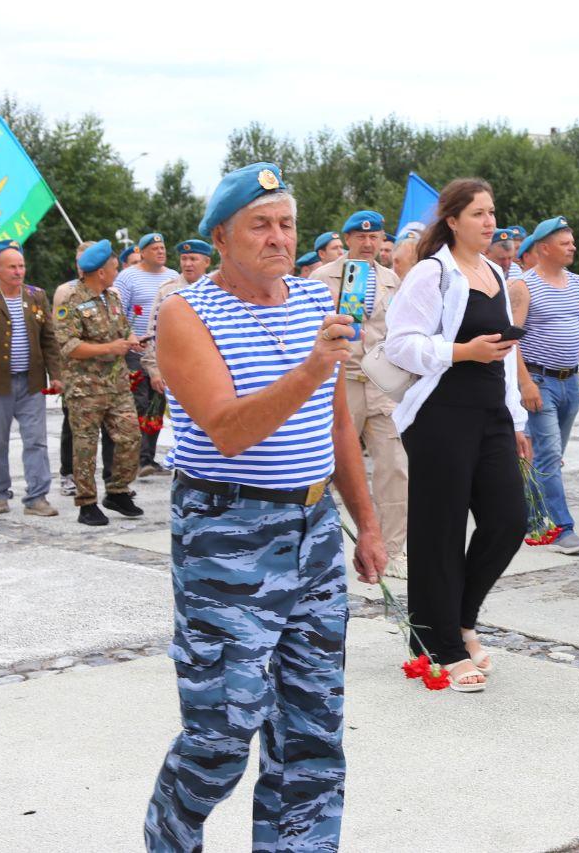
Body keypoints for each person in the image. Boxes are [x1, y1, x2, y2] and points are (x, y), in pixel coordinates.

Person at [144, 161, 384, 852]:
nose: (279, 237)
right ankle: (170, 831)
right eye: (261, 224)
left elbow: (337, 424)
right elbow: (227, 427)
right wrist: (309, 368)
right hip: (228, 534)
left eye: (287, 224)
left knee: (312, 729)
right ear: (221, 235)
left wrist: (365, 523)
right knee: (222, 729)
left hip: (311, 530)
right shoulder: (185, 311)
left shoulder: (314, 301)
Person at [386, 177, 530, 693]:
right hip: (441, 416)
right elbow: (400, 344)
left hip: (491, 415)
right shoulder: (432, 273)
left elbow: (508, 363)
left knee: (509, 520)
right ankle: (437, 643)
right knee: (440, 533)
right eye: (478, 214)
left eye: (492, 213)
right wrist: (460, 351)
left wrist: (515, 420)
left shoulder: (494, 270)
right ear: (452, 221)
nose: (490, 222)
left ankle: (461, 621)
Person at [315, 209, 409, 576]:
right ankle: (324, 543)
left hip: (382, 385)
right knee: (328, 465)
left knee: (395, 468)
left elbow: (399, 330)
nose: (368, 243)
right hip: (342, 383)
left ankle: (393, 550)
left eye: (375, 237)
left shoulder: (391, 279)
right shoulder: (324, 278)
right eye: (360, 237)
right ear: (348, 238)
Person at [509, 215, 579, 555]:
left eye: (572, 241)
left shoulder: (578, 283)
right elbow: (513, 341)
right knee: (549, 456)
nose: (573, 247)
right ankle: (561, 528)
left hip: (570, 383)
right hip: (540, 381)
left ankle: (526, 514)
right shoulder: (523, 286)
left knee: (550, 456)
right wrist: (525, 384)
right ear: (544, 248)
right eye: (565, 243)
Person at [0, 240, 62, 516]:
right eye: (12, 267)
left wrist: (57, 374)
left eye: (21, 266)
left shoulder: (36, 295)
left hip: (31, 382)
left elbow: (49, 338)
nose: (19, 272)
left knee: (36, 440)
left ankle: (37, 497)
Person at [56, 240, 145, 526]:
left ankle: (117, 491)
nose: (117, 272)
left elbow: (123, 330)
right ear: (101, 272)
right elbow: (68, 345)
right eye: (114, 267)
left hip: (116, 384)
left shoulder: (113, 298)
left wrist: (132, 342)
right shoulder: (71, 301)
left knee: (130, 436)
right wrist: (107, 349)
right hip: (85, 388)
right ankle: (87, 503)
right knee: (85, 446)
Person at [114, 232, 177, 477]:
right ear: (142, 252)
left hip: (164, 350)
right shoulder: (128, 277)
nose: (160, 251)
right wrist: (130, 338)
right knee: (138, 403)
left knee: (157, 404)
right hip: (135, 351)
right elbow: (118, 312)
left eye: (162, 247)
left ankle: (148, 458)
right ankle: (135, 459)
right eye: (154, 248)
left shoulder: (172, 277)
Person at [55, 241, 114, 497]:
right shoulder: (65, 293)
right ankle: (70, 476)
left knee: (112, 431)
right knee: (76, 431)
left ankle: (113, 482)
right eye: (80, 260)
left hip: (108, 378)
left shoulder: (110, 294)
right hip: (78, 376)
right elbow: (64, 338)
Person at [141, 238, 214, 393]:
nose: (187, 264)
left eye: (193, 259)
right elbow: (153, 332)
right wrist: (154, 370)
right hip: (176, 370)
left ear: (207, 262)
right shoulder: (167, 290)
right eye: (184, 259)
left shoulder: (217, 290)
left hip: (211, 369)